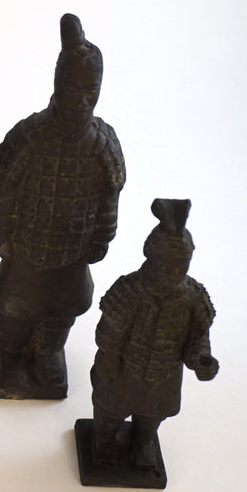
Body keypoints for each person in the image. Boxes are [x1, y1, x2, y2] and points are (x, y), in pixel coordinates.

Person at [0, 13, 125, 398]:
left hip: (72, 255)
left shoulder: (103, 144)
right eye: (71, 87)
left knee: (59, 314)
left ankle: (47, 354)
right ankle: (12, 355)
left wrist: (102, 238)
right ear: (57, 83)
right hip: (25, 251)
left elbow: (109, 196)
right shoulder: (30, 137)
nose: (81, 100)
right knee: (15, 311)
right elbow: (4, 189)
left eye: (90, 90)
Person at [89, 199, 219, 467]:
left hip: (165, 373)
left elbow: (198, 337)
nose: (174, 271)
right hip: (124, 370)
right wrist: (109, 360)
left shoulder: (193, 297)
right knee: (110, 412)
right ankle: (103, 443)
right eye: (167, 263)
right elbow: (110, 331)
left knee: (151, 416)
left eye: (181, 264)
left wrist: (200, 359)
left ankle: (142, 444)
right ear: (151, 255)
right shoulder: (131, 290)